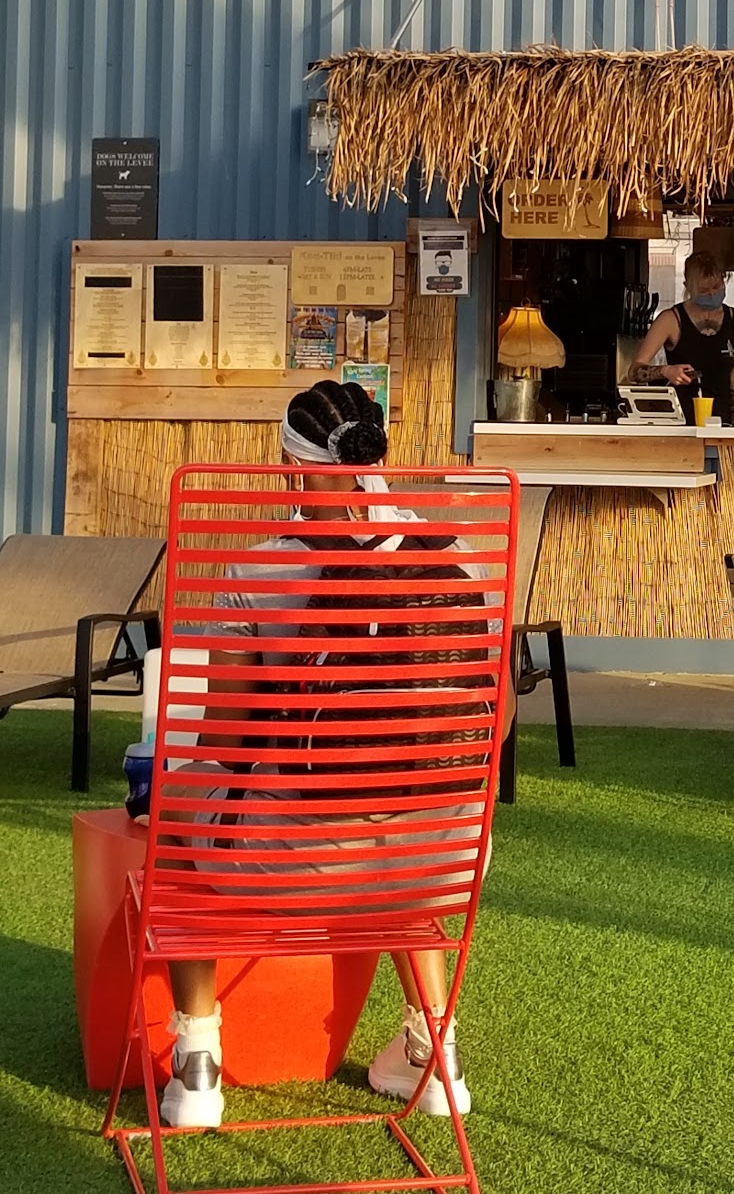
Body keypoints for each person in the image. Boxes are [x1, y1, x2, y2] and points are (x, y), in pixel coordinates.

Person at [160, 380, 488, 1130]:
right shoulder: (461, 555)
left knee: (177, 794)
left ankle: (197, 1064)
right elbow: (492, 723)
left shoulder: (257, 570)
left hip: (301, 857)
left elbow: (224, 742)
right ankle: (433, 1053)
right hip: (449, 854)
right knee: (408, 811)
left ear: (290, 465)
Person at [631, 252, 734, 422]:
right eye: (703, 290)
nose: (712, 294)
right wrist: (666, 371)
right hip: (681, 420)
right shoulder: (670, 319)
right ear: (688, 287)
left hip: (722, 420)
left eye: (716, 287)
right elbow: (634, 371)